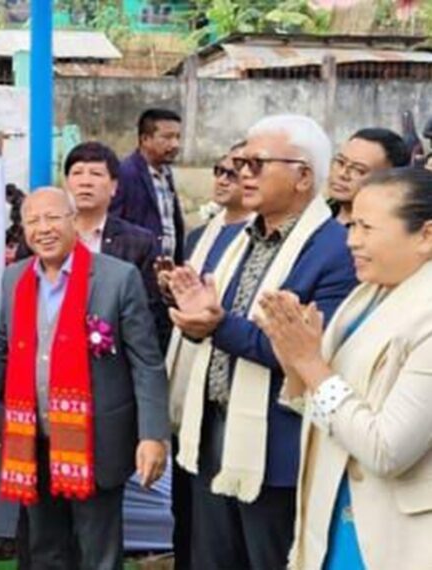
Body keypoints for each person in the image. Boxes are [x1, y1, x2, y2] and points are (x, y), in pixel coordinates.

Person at [168, 115, 358, 570]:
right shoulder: (241, 238)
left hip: (276, 449)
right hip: (214, 431)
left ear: (302, 176)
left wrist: (216, 326)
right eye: (237, 163)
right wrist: (196, 314)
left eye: (255, 163)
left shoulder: (334, 252)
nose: (241, 174)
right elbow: (221, 318)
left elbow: (297, 350)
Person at [0, 188, 169, 570]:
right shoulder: (14, 278)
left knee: (98, 552)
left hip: (98, 441)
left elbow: (146, 363)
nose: (43, 229)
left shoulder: (117, 278)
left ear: (73, 222)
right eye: (33, 221)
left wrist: (152, 435)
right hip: (32, 440)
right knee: (46, 548)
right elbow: (4, 344)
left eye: (52, 218)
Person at [256, 167, 432, 570]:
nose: (352, 241)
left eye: (367, 229)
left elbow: (387, 450)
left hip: (393, 533)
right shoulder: (366, 295)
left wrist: (311, 364)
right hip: (333, 511)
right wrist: (295, 359)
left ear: (425, 235)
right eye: (351, 224)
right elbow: (330, 408)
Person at [158, 141, 250, 570]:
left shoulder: (256, 238)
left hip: (225, 387)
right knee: (187, 507)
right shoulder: (200, 234)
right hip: (186, 376)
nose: (222, 179)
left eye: (233, 172)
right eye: (218, 170)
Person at [64, 141, 167, 346]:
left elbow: (150, 314)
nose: (85, 182)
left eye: (96, 174)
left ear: (114, 187)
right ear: (66, 183)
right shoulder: (45, 236)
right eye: (77, 173)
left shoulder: (139, 243)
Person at [112, 108, 186, 263]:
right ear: (145, 139)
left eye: (178, 137)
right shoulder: (126, 174)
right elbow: (114, 227)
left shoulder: (166, 173)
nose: (175, 144)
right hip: (139, 272)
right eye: (167, 137)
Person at [327, 128, 408, 225]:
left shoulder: (390, 232)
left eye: (359, 170)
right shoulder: (316, 215)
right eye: (340, 162)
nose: (342, 174)